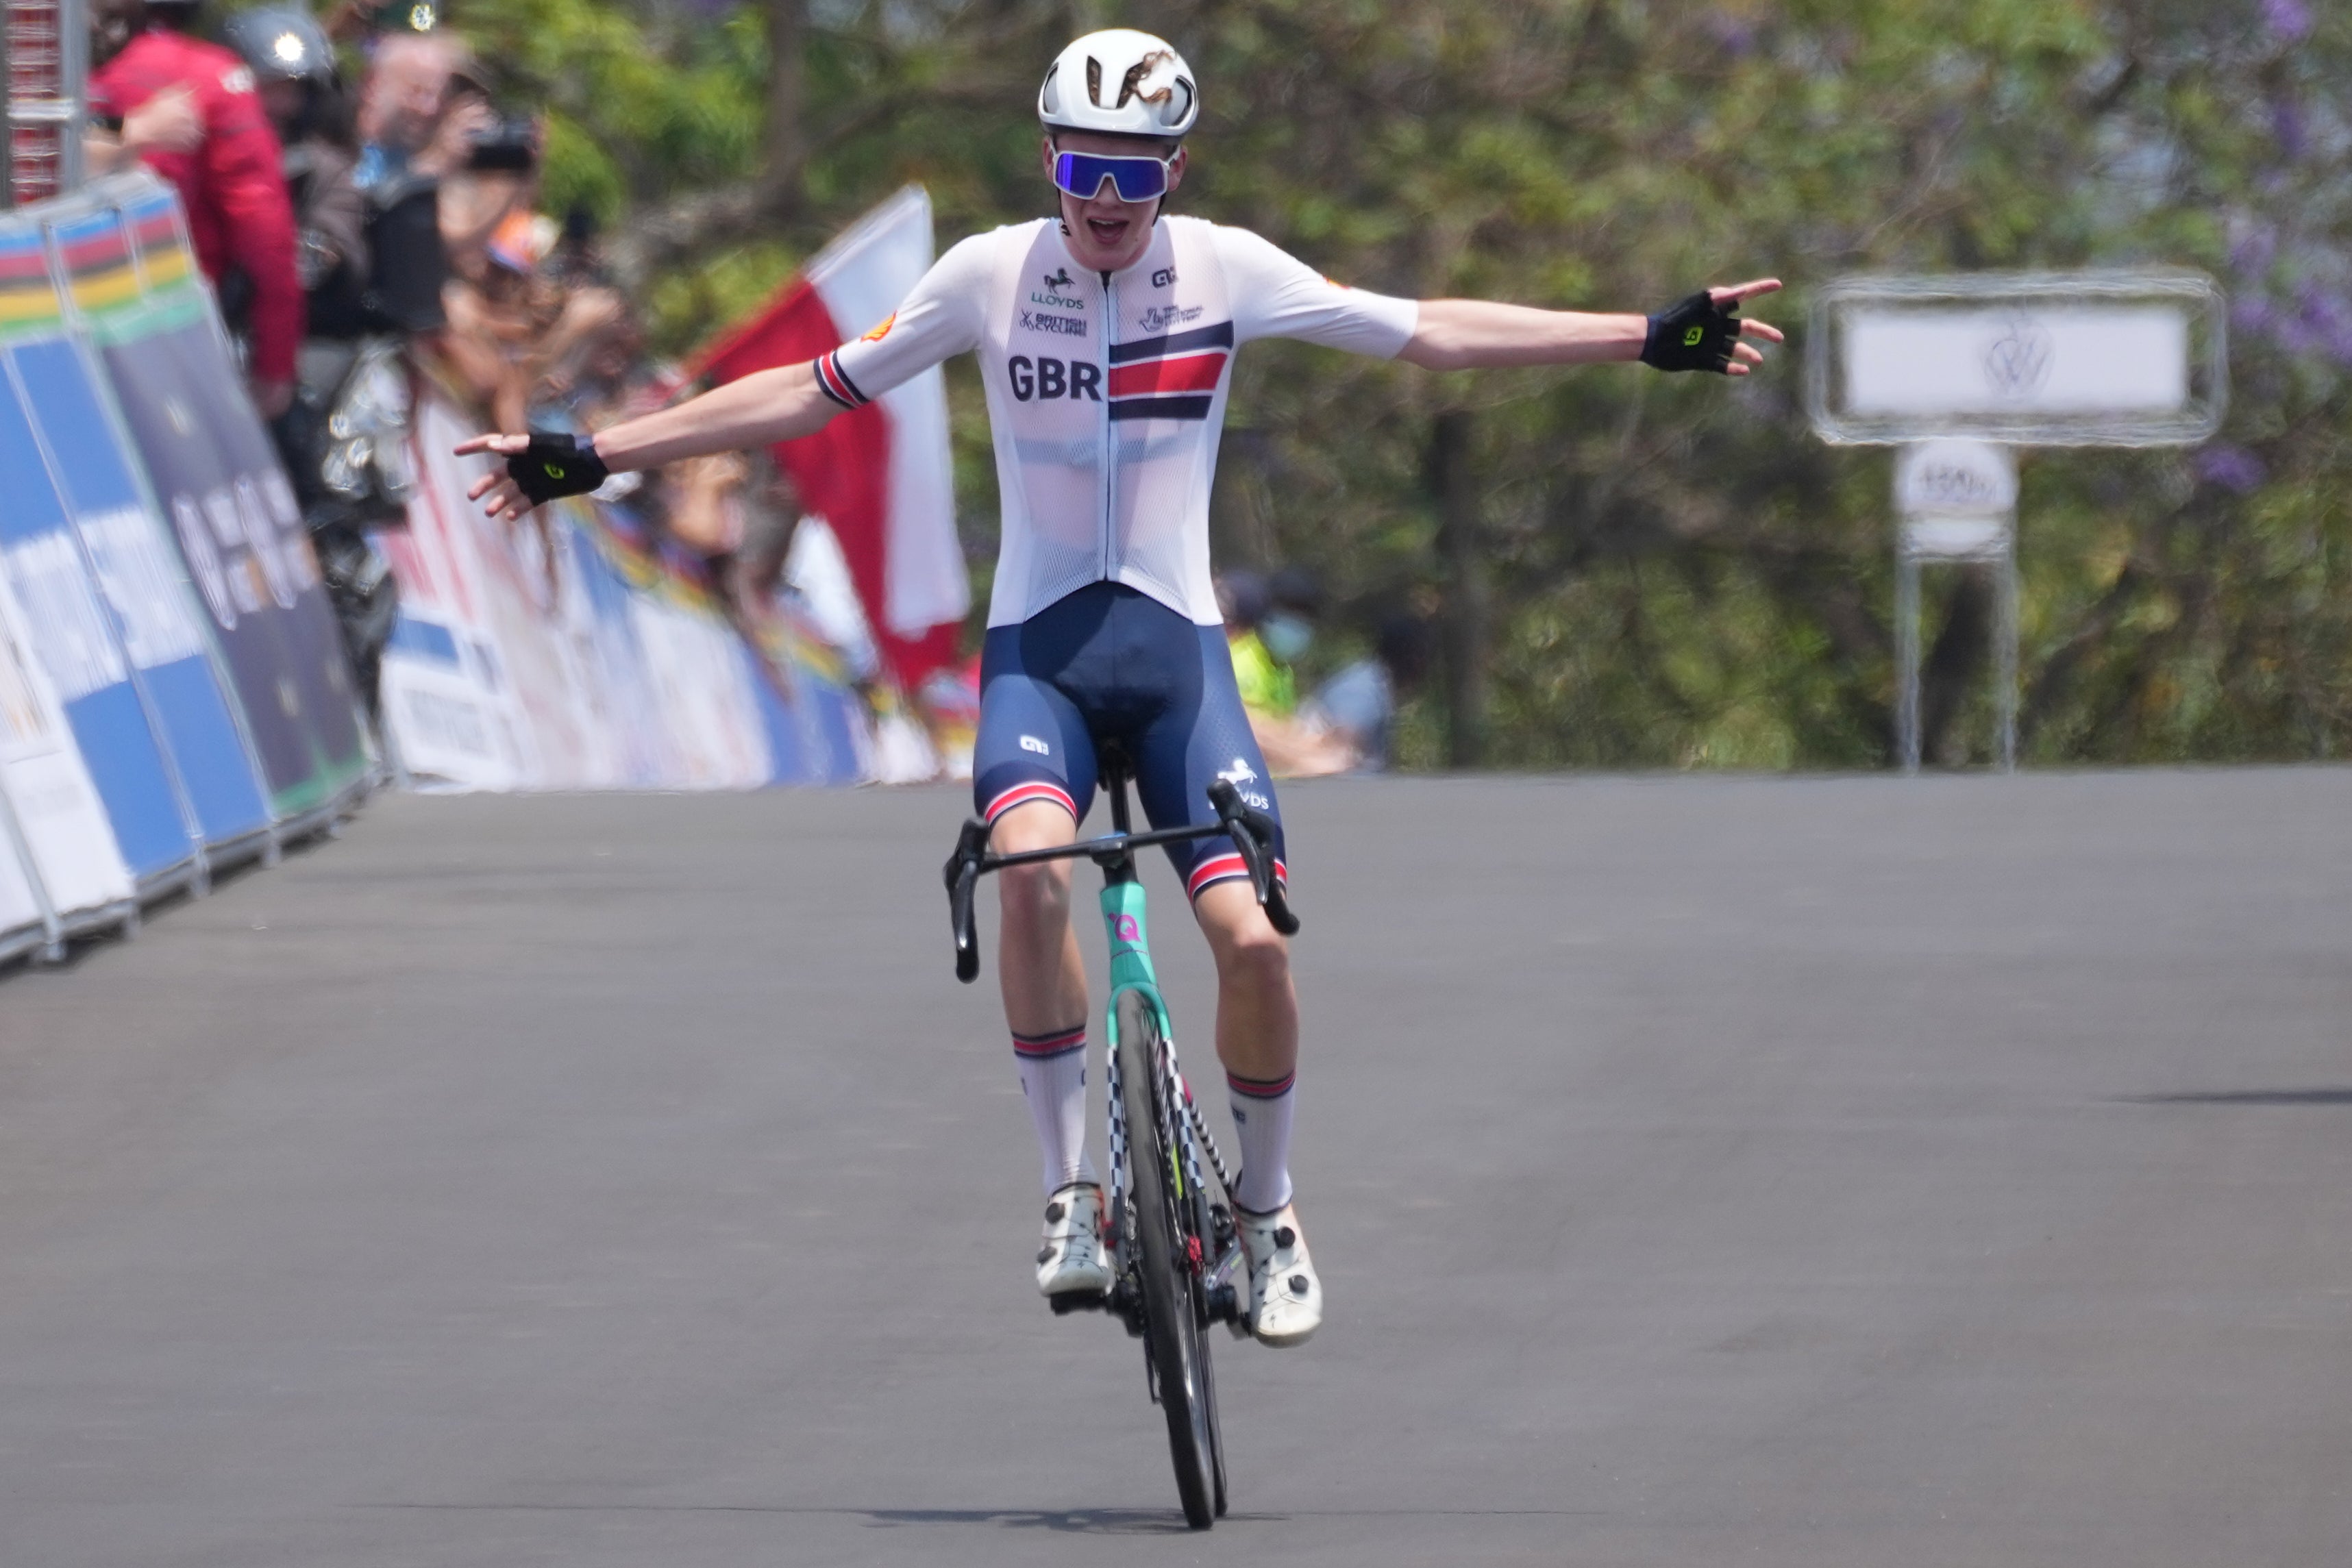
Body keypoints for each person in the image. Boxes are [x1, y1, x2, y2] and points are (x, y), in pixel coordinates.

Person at [458, 28, 1783, 1349]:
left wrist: (1641, 337)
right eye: (1083, 165)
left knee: (1252, 940)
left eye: (1133, 175)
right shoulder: (986, 274)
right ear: (1047, 154)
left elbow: (1426, 330)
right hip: (1038, 652)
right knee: (1028, 873)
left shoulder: (1224, 268)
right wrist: (600, 454)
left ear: (1175, 172)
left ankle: (1265, 1210)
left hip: (1174, 660)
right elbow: (812, 393)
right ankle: (1073, 1191)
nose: (1103, 200)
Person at [88, 0, 305, 418]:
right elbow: (267, 237)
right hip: (166, 334)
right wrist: (276, 366)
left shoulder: (52, 72)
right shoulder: (209, 75)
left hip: (62, 320)